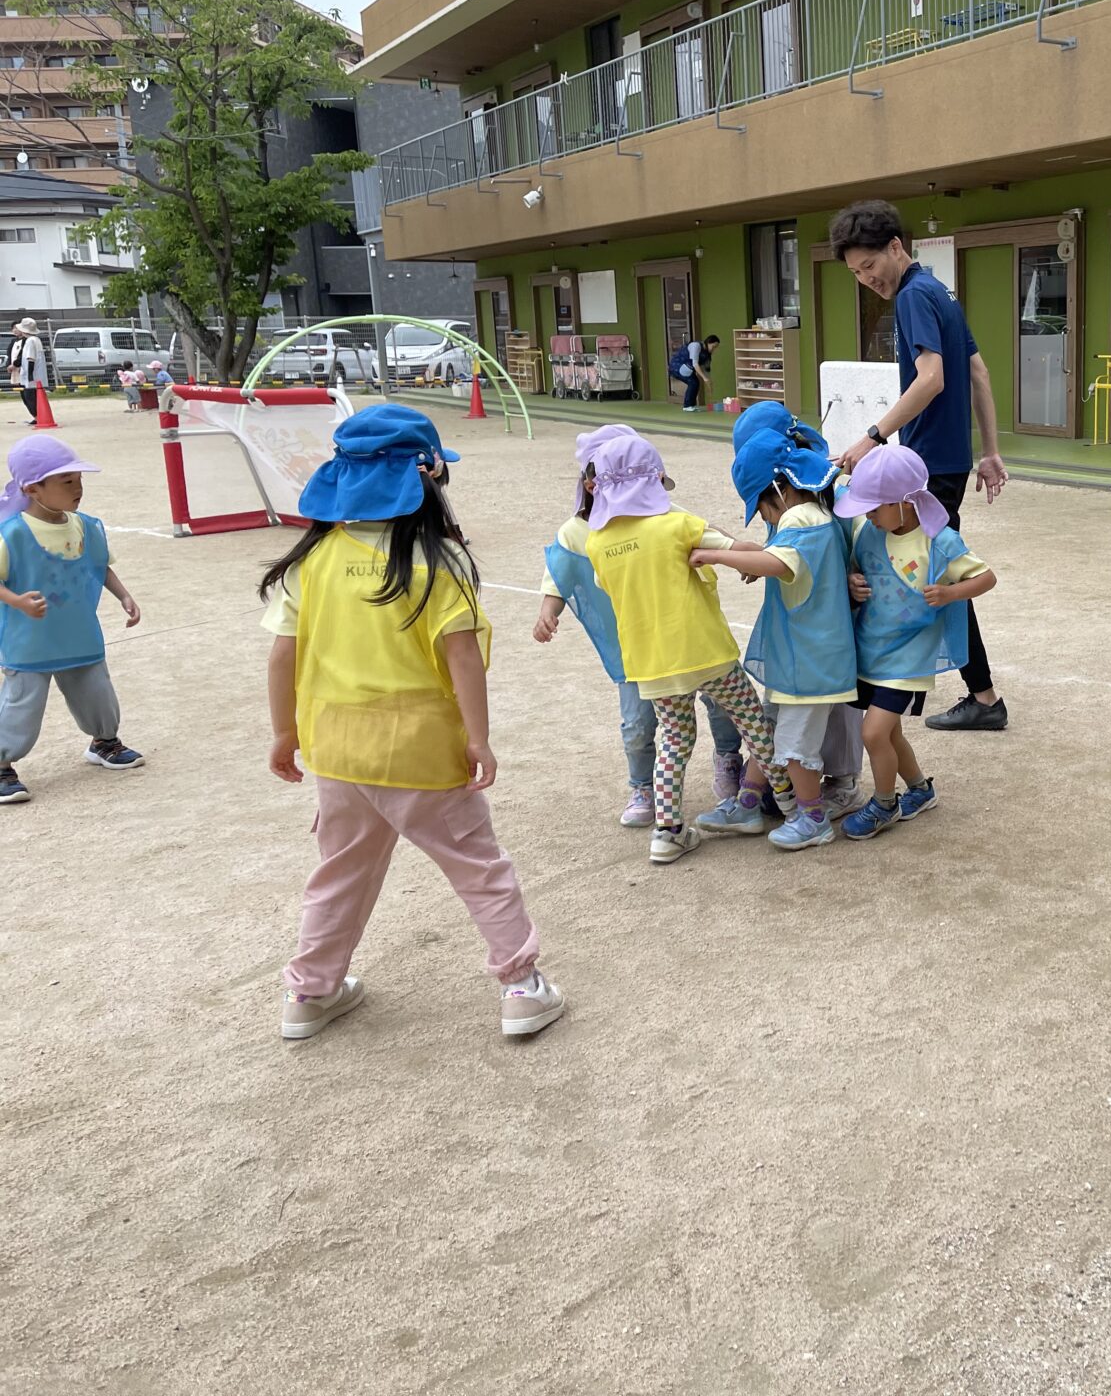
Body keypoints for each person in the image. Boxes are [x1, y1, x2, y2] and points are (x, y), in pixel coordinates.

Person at [258, 406, 565, 1041]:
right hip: (421, 750)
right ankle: (520, 986)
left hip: (337, 751)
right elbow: (462, 658)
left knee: (339, 872)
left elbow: (283, 654)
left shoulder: (312, 560)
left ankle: (309, 992)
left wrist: (284, 732)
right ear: (426, 476)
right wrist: (478, 739)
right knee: (477, 866)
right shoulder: (438, 561)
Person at [829, 200, 1010, 733]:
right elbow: (978, 372)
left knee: (938, 573)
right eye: (856, 273)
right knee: (937, 570)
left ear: (895, 247)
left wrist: (872, 437)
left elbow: (932, 379)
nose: (867, 279)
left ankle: (981, 696)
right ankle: (977, 692)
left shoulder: (913, 296)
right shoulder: (939, 291)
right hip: (945, 462)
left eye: (870, 265)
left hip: (926, 466)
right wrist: (990, 450)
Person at [580, 431, 790, 865]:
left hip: (651, 663)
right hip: (707, 653)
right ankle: (791, 803)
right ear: (655, 480)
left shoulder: (596, 542)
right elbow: (735, 548)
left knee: (674, 741)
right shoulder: (678, 524)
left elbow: (604, 584)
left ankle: (668, 831)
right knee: (753, 723)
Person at [534, 423, 745, 830]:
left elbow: (710, 534)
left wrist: (741, 556)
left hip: (688, 637)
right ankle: (642, 787)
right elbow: (559, 575)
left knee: (721, 704)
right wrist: (548, 611)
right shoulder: (579, 532)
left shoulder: (663, 512)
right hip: (634, 647)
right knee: (638, 723)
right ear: (591, 484)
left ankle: (728, 758)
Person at [692, 408, 853, 852]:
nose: (763, 514)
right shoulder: (813, 512)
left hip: (810, 661)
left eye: (761, 505)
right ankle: (749, 800)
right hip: (801, 657)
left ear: (779, 490)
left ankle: (813, 817)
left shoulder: (802, 520)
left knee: (795, 743)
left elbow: (780, 561)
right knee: (769, 730)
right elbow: (780, 559)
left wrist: (718, 556)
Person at [835, 445, 996, 842]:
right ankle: (920, 789)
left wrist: (951, 593)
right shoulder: (868, 532)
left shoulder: (939, 540)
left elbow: (986, 578)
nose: (868, 515)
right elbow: (856, 567)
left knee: (873, 733)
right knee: (889, 734)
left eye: (874, 508)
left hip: (911, 654)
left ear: (905, 503)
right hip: (872, 649)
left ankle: (884, 804)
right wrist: (852, 582)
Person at [0, 436, 144, 805]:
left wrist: (124, 595)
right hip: (29, 641)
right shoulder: (12, 533)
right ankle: (2, 763)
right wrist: (17, 601)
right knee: (22, 704)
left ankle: (104, 741)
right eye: (66, 481)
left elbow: (101, 566)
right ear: (32, 489)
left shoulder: (86, 526)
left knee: (96, 691)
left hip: (79, 634)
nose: (78, 488)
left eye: (79, 479)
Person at [674, 334, 720, 411]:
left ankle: (691, 405)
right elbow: (695, 364)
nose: (714, 349)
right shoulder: (696, 346)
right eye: (713, 346)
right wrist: (704, 378)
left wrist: (708, 381)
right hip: (677, 366)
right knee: (693, 382)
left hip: (688, 368)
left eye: (716, 348)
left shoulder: (707, 354)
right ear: (708, 342)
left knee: (695, 383)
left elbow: (706, 369)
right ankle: (687, 406)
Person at [14, 319, 46, 421]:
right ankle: (39, 417)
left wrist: (29, 376)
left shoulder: (30, 341)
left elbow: (30, 359)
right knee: (36, 397)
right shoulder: (36, 340)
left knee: (29, 398)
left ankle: (38, 418)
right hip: (37, 375)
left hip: (31, 376)